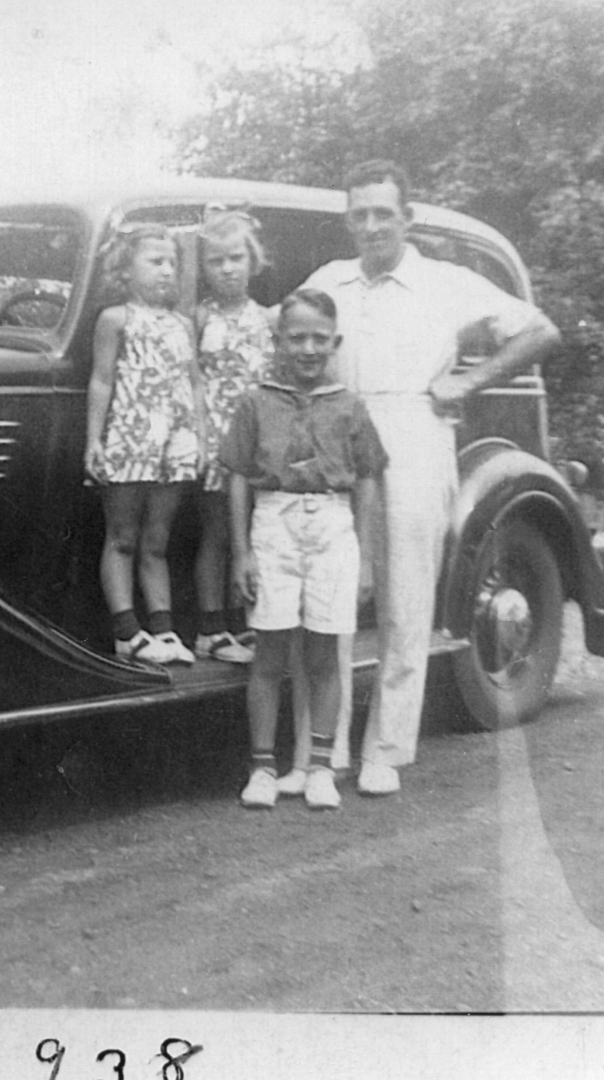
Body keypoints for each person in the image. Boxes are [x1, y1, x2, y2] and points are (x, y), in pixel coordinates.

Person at [302, 160, 561, 795]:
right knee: (331, 595)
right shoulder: (330, 280)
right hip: (339, 437)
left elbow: (540, 330)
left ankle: (386, 750)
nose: (371, 226)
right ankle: (324, 751)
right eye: (359, 215)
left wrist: (469, 381)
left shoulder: (445, 282)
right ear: (348, 220)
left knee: (406, 598)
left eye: (383, 213)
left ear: (407, 218)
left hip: (414, 433)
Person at [221, 289, 388, 810]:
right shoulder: (255, 402)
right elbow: (238, 477)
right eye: (297, 338)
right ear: (278, 341)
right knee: (270, 652)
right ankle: (263, 768)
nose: (308, 349)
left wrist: (364, 555)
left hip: (333, 526)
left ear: (335, 342)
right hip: (274, 524)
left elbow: (367, 478)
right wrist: (242, 553)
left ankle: (319, 767)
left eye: (319, 338)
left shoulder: (350, 405)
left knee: (324, 654)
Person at [85, 223, 207, 666]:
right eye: (155, 261)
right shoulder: (115, 319)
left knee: (157, 539)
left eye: (172, 262)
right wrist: (94, 440)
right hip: (131, 438)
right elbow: (102, 380)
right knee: (122, 536)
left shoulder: (183, 324)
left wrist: (200, 438)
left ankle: (162, 628)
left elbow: (194, 383)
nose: (166, 270)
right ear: (126, 269)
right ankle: (126, 631)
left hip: (173, 441)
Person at [193, 209, 272, 665]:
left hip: (259, 438)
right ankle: (211, 629)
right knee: (218, 532)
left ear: (252, 260)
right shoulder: (200, 317)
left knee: (258, 531)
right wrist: (203, 437)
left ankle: (251, 621)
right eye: (216, 260)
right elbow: (193, 380)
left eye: (235, 258)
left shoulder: (268, 318)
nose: (226, 268)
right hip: (218, 438)